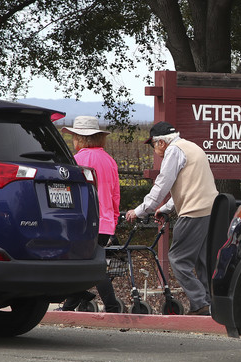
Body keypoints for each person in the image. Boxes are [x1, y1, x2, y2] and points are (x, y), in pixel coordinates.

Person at [126, 121, 218, 316]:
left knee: (178, 259)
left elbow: (162, 185)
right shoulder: (191, 147)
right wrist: (166, 208)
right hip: (210, 209)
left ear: (161, 143)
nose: (154, 150)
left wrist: (140, 211)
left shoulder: (173, 151)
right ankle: (211, 303)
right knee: (202, 261)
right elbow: (190, 185)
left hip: (194, 211)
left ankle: (200, 303)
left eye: (153, 145)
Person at [60, 116, 121, 313]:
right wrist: (113, 219)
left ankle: (100, 303)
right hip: (105, 222)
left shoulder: (77, 160)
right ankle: (78, 300)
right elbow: (115, 195)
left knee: (80, 263)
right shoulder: (110, 161)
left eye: (74, 137)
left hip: (84, 221)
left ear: (80, 138)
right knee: (93, 262)